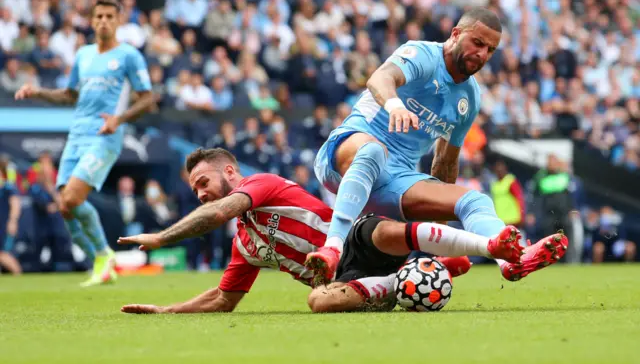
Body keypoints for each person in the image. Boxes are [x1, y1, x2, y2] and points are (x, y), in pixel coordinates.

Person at [309, 7, 568, 285]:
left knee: (476, 200)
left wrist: (442, 245)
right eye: (477, 43)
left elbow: (444, 164)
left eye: (490, 50)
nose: (482, 54)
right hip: (346, 153)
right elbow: (380, 78)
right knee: (373, 150)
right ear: (456, 34)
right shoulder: (423, 55)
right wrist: (395, 105)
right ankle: (333, 248)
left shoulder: (469, 98)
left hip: (395, 180)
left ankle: (512, 260)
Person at [117, 148, 523, 314]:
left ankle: (489, 244)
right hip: (350, 278)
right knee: (318, 302)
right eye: (194, 190)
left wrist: (161, 238)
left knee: (379, 232)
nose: (201, 193)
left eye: (203, 182)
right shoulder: (245, 243)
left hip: (348, 239)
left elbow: (222, 209)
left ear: (229, 171)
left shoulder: (261, 185)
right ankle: (424, 272)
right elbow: (223, 299)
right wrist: (167, 311)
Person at [14, 0, 156, 286]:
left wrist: (119, 119)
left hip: (105, 135)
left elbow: (148, 98)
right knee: (66, 207)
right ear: (91, 21)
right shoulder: (84, 55)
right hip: (76, 134)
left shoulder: (129, 55)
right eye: (98, 16)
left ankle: (105, 254)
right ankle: (101, 265)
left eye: (109, 16)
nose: (103, 21)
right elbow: (70, 95)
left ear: (118, 20)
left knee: (71, 197)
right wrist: (37, 91)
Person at [0, 165, 22, 275]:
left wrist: (13, 221)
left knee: (2, 254)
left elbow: (15, 205)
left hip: (4, 226)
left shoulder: (8, 188)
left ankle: (17, 274)